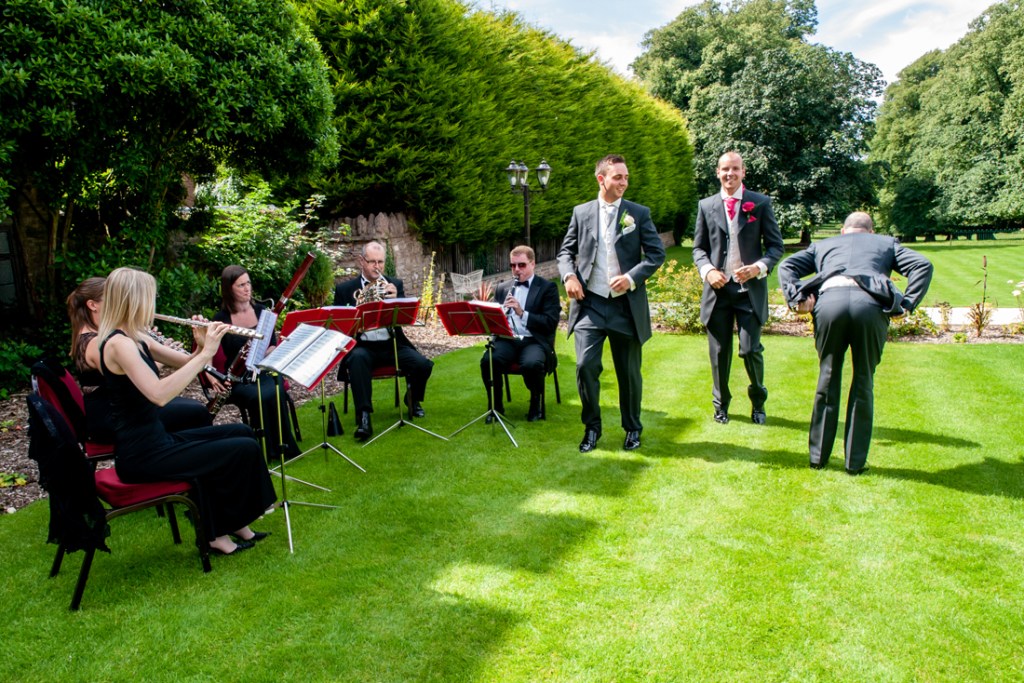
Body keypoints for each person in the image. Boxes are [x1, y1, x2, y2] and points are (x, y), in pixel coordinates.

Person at [97, 267, 276, 555]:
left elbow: (189, 363)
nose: (153, 304)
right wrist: (206, 355)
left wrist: (202, 345)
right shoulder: (118, 345)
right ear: (134, 300)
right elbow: (158, 394)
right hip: (141, 453)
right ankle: (216, 534)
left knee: (241, 432)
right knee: (238, 449)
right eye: (150, 298)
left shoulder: (136, 337)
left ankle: (236, 521)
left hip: (157, 440)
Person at [778, 212, 933, 474]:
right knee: (863, 379)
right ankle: (854, 462)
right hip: (869, 307)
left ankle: (818, 458)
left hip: (830, 304)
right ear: (871, 232)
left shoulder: (823, 245)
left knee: (827, 375)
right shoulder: (886, 243)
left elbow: (787, 266)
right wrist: (906, 303)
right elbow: (923, 265)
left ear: (842, 231)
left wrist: (797, 300)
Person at [557, 153, 666, 453]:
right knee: (584, 366)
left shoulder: (638, 214)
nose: (624, 182)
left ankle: (632, 429)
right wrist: (568, 277)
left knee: (628, 373)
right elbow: (565, 252)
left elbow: (656, 255)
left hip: (625, 307)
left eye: (626, 177)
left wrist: (631, 278)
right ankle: (592, 428)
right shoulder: (581, 212)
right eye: (618, 177)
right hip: (590, 304)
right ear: (601, 179)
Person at [692, 151, 784, 426]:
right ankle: (721, 405)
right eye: (724, 169)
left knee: (749, 349)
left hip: (749, 293)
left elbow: (776, 247)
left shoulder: (760, 203)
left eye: (734, 169)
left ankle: (758, 400)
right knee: (719, 352)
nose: (729, 174)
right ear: (717, 172)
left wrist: (759, 267)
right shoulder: (706, 205)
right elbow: (698, 248)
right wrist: (708, 271)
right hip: (718, 291)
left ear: (743, 172)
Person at [67, 277, 212, 443]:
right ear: (92, 305)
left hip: (133, 408)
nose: (119, 305)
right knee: (196, 413)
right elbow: (134, 382)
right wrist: (150, 354)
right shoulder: (95, 343)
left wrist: (202, 345)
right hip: (111, 417)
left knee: (194, 410)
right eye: (112, 300)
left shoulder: (115, 335)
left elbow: (189, 362)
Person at [333, 241, 434, 441]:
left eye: (380, 262)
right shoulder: (345, 289)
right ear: (362, 261)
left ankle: (412, 399)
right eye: (372, 262)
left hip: (391, 344)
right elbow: (339, 325)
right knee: (357, 360)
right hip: (363, 345)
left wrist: (396, 300)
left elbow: (405, 318)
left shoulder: (394, 284)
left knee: (423, 365)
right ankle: (364, 417)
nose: (377, 267)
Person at [212, 265, 301, 462]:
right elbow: (211, 353)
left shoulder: (262, 312)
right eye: (241, 285)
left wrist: (272, 352)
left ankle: (284, 445)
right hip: (238, 379)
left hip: (262, 370)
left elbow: (271, 346)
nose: (247, 288)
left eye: (248, 283)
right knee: (258, 395)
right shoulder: (221, 319)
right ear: (229, 289)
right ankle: (266, 449)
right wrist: (212, 376)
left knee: (275, 389)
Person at [477, 245, 561, 422]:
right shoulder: (503, 288)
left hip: (534, 340)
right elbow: (494, 319)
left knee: (531, 364)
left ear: (533, 264)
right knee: (488, 361)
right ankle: (496, 407)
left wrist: (522, 313)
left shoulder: (548, 288)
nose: (516, 270)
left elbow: (550, 323)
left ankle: (535, 403)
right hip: (508, 339)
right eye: (513, 265)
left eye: (521, 265)